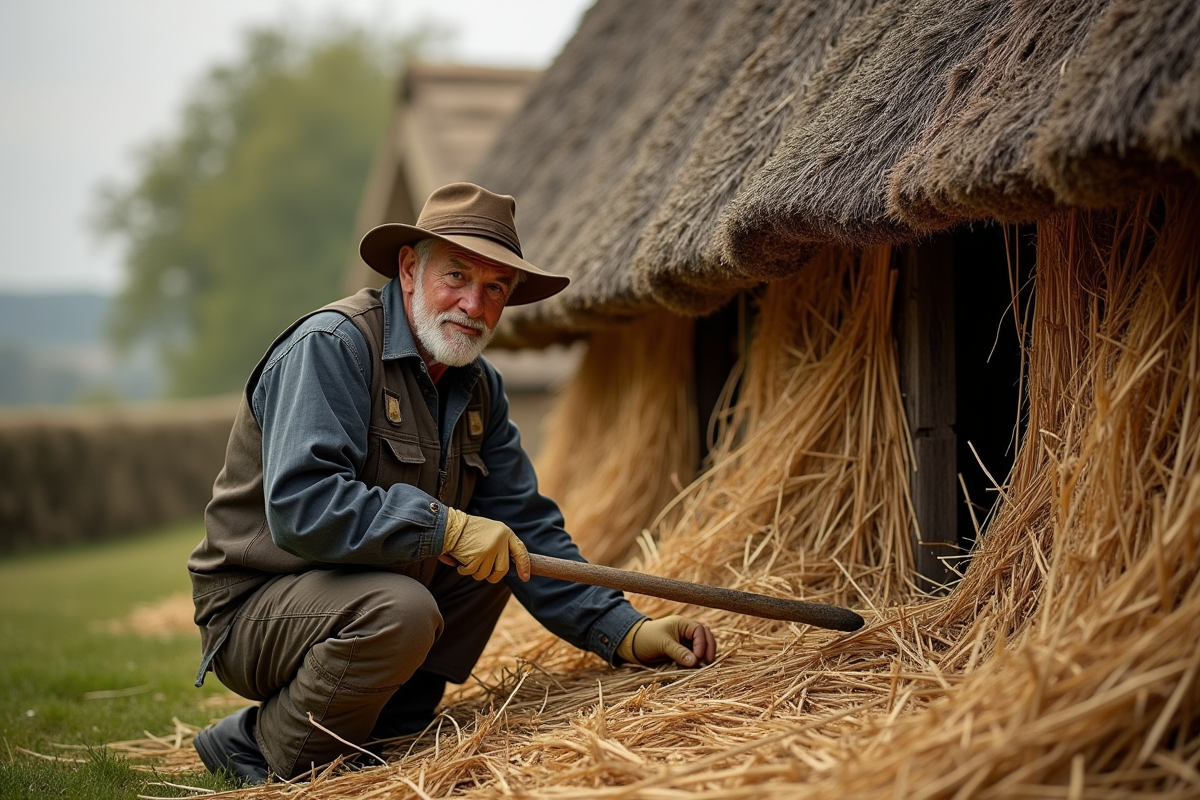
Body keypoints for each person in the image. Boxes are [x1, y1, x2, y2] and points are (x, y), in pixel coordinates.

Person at [187, 183, 717, 785]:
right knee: (405, 609)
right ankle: (258, 746)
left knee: (500, 550)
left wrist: (627, 631)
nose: (474, 303)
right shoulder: (331, 348)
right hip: (257, 608)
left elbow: (528, 530)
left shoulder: (478, 388)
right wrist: (446, 527)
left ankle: (385, 730)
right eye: (457, 277)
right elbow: (303, 507)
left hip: (357, 595)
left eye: (495, 288)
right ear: (410, 269)